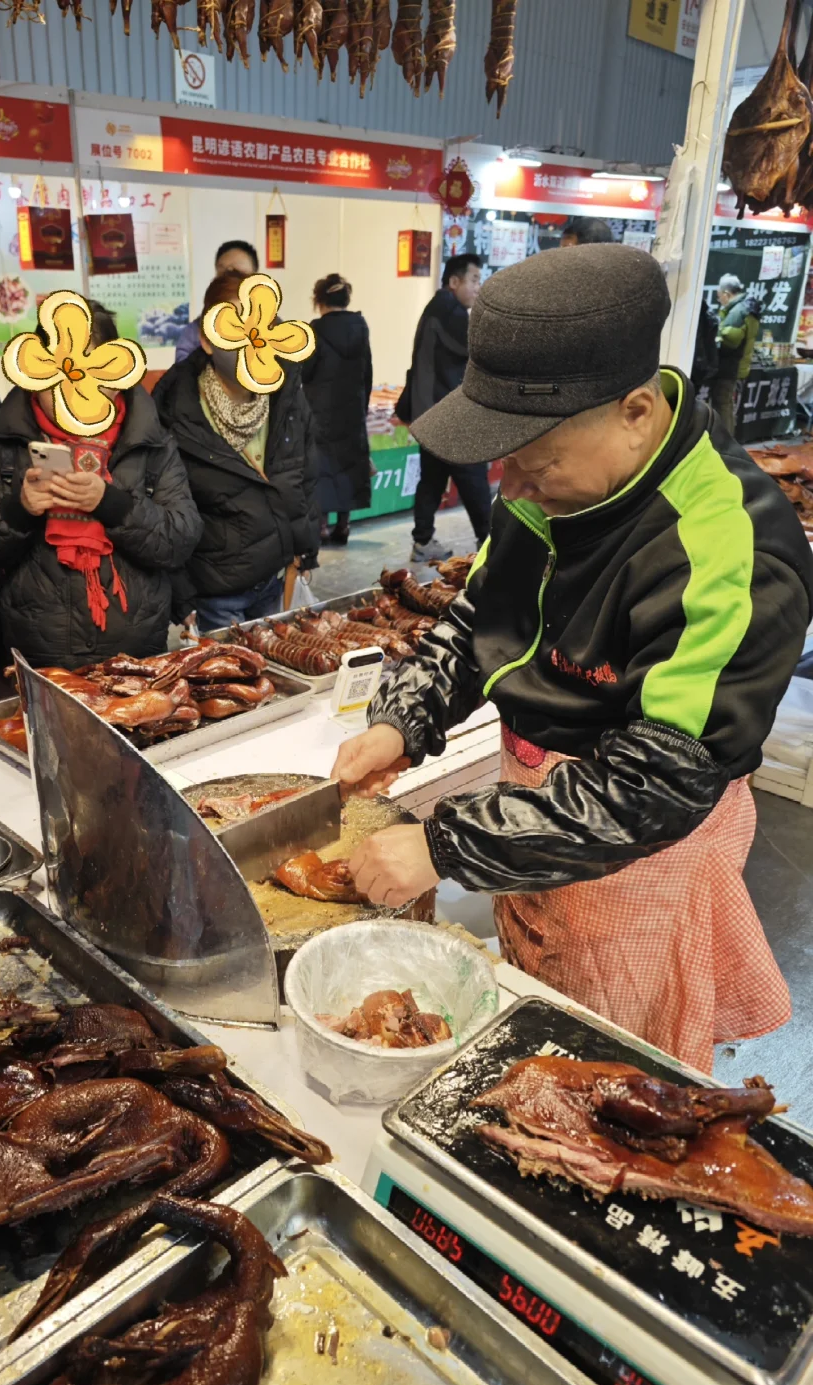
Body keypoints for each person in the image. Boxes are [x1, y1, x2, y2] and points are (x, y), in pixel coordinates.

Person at [333, 243, 813, 1074]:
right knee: (536, 1019)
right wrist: (405, 719)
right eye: (501, 456)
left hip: (642, 847)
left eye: (535, 458)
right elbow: (480, 617)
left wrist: (449, 847)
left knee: (608, 1070)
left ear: (633, 411)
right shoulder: (550, 487)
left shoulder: (726, 548)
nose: (508, 486)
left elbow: (654, 785)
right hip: (535, 803)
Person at [0, 301, 200, 671]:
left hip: (138, 648)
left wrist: (113, 504)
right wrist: (18, 509)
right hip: (39, 647)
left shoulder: (149, 438)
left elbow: (180, 537)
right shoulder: (6, 439)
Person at [154, 270, 320, 632]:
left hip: (279, 577)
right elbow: (166, 509)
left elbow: (304, 475)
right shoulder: (175, 410)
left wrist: (306, 546)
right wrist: (180, 591)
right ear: (208, 340)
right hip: (216, 591)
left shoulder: (287, 396)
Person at [404, 253, 491, 561]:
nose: (478, 287)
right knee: (473, 479)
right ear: (454, 282)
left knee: (432, 479)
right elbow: (478, 354)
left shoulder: (438, 307)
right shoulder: (450, 311)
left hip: (432, 412)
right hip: (449, 414)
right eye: (474, 280)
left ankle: (423, 541)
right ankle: (490, 544)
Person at [302, 274, 372, 546]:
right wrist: (361, 406)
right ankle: (343, 525)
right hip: (351, 409)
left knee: (320, 468)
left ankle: (320, 526)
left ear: (319, 300)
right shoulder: (361, 326)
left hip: (320, 410)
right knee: (348, 466)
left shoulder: (315, 330)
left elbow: (305, 371)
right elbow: (368, 371)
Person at [174, 240, 260, 364]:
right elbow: (182, 376)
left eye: (238, 273)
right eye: (223, 273)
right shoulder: (194, 333)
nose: (230, 281)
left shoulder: (274, 331)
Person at [712, 274, 760, 437]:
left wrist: (716, 337)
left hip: (729, 366)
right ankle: (726, 440)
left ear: (726, 294)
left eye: (720, 297)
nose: (720, 301)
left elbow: (730, 340)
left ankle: (724, 442)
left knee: (722, 403)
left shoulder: (738, 311)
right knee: (727, 403)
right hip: (739, 364)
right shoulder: (748, 307)